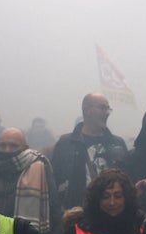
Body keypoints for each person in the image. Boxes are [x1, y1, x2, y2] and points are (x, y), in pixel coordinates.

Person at [51, 93, 128, 224]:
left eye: (108, 109)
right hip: (76, 215)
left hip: (112, 214)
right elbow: (54, 179)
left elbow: (126, 178)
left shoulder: (117, 143)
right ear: (86, 109)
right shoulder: (66, 143)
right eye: (102, 108)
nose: (107, 113)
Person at [0, 127, 53, 234]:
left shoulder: (40, 167)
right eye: (3, 145)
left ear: (25, 147)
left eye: (13, 145)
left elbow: (53, 207)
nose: (7, 150)